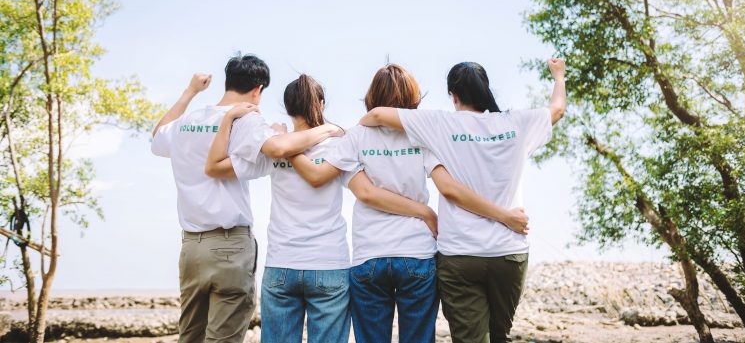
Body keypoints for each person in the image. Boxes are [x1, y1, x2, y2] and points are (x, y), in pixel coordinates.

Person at [287, 64, 530, 343]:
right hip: (417, 252)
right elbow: (446, 185)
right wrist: (426, 212)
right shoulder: (422, 135)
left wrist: (286, 143)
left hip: (370, 255)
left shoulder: (356, 135)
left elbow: (364, 193)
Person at [359, 59, 566, 343]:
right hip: (508, 252)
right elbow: (557, 109)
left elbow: (378, 115)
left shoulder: (440, 124)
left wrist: (363, 125)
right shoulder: (516, 122)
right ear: (485, 90)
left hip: (460, 254)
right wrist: (558, 76)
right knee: (499, 336)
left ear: (452, 95)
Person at [207, 74, 422, 343]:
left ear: (288, 108)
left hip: (281, 263)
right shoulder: (339, 145)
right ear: (321, 104)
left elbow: (215, 167)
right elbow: (367, 192)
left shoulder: (272, 147)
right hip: (328, 263)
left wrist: (233, 124)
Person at [151, 55, 341, 343]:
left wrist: (190, 92)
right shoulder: (247, 120)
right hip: (229, 244)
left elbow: (157, 137)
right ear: (258, 90)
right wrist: (329, 128)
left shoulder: (188, 120)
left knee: (190, 334)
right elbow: (278, 148)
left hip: (191, 246)